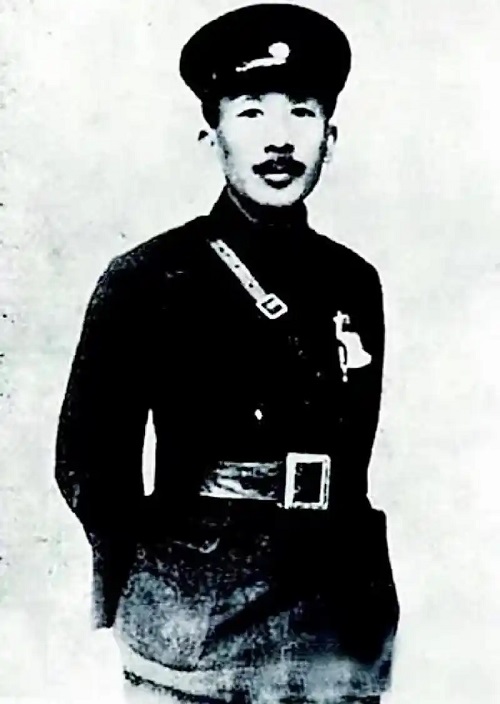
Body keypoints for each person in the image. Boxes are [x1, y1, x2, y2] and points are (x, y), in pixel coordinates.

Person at [55, 3, 400, 703]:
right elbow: (89, 461)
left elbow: (351, 457)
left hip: (335, 630)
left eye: (301, 112)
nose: (280, 139)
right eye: (250, 113)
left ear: (330, 137)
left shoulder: (353, 281)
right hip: (201, 630)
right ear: (210, 136)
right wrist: (156, 588)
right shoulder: (148, 276)